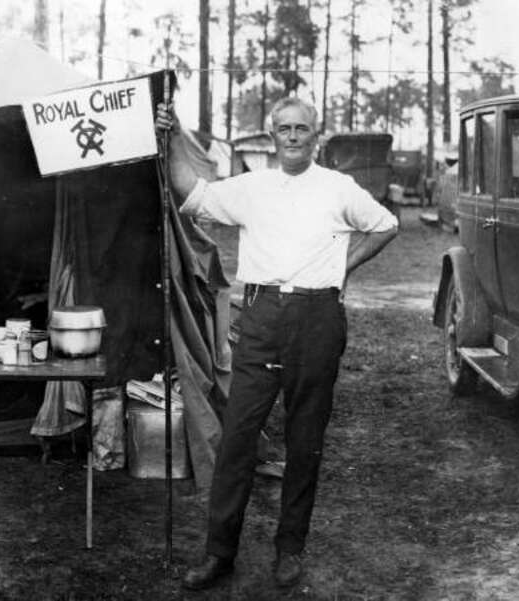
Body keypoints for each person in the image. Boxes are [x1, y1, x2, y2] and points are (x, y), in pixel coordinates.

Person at [155, 97, 398, 590]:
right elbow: (192, 192)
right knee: (237, 438)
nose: (292, 136)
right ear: (271, 137)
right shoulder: (253, 187)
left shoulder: (337, 187)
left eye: (301, 129)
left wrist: (343, 268)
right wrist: (174, 133)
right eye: (283, 129)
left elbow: (386, 225)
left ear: (316, 137)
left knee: (304, 440)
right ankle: (219, 553)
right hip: (262, 319)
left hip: (317, 319)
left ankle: (290, 548)